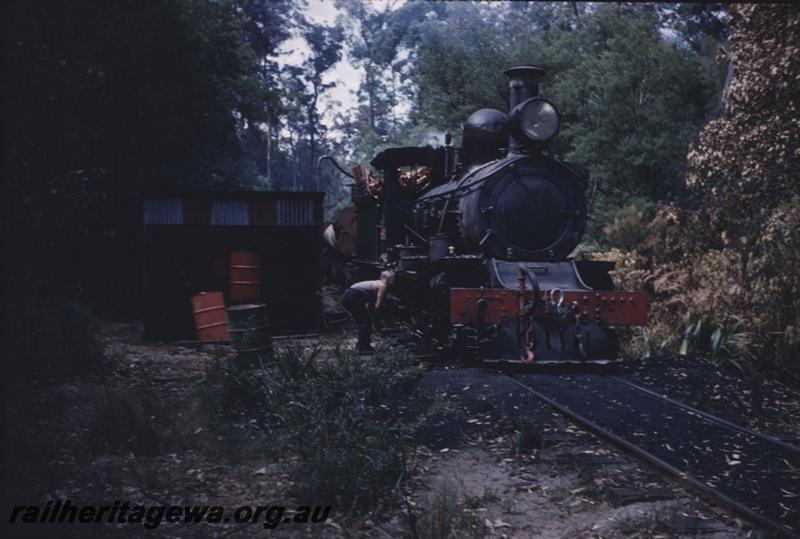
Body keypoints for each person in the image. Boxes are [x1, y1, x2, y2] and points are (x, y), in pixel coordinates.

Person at [341, 270, 395, 353]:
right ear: (390, 279)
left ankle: (364, 345)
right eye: (392, 279)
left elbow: (370, 306)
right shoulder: (383, 285)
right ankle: (363, 348)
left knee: (365, 321)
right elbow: (377, 305)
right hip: (352, 297)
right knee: (364, 322)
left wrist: (373, 317)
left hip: (349, 296)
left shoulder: (376, 283)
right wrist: (377, 317)